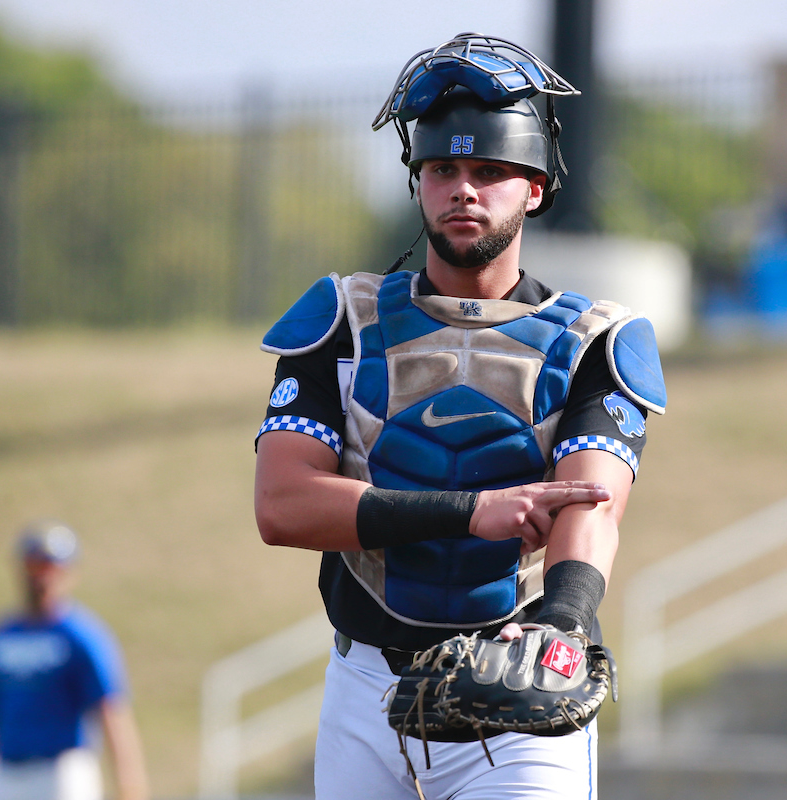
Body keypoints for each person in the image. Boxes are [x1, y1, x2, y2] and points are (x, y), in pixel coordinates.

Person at [254, 33, 666, 800]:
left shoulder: (595, 341)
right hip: (365, 689)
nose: (464, 190)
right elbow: (281, 505)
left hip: (522, 686)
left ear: (536, 188)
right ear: (419, 181)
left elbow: (592, 507)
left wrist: (566, 621)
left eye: (490, 172)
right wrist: (469, 510)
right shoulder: (342, 320)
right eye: (444, 168)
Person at [0, 521, 148, 800]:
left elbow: (111, 712)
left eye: (51, 567)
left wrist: (131, 789)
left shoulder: (81, 636)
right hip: (4, 770)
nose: (42, 577)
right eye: (36, 565)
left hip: (61, 770)